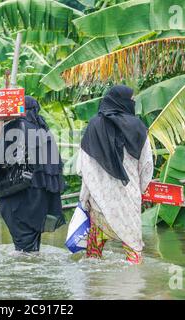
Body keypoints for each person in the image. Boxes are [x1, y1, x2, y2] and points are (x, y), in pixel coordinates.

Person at [76, 85, 154, 264]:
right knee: (133, 250)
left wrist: (85, 196)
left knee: (93, 255)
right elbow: (146, 165)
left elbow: (84, 166)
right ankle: (133, 287)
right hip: (128, 199)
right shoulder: (138, 127)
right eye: (131, 99)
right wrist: (138, 190)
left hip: (99, 199)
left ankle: (95, 289)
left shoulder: (94, 125)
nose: (133, 102)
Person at [0, 96, 65, 252]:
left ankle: (25, 275)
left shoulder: (13, 128)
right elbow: (54, 169)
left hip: (17, 198)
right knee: (32, 248)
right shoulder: (44, 131)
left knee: (22, 250)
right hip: (40, 201)